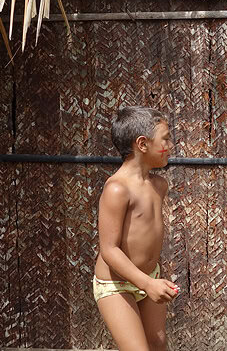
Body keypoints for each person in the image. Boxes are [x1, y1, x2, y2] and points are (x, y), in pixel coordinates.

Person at [93, 106, 179, 351]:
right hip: (116, 283)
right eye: (166, 139)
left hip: (149, 276)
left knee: (158, 345)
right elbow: (109, 250)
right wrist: (147, 284)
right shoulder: (117, 189)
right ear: (142, 144)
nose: (170, 145)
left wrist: (152, 280)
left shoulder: (159, 185)